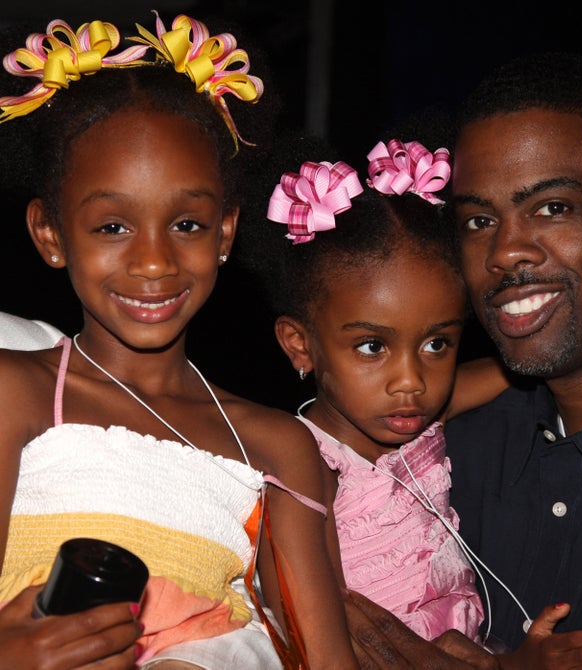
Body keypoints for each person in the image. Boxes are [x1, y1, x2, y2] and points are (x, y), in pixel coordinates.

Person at [240, 132, 582, 670]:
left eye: (436, 343)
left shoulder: (423, 416)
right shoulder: (303, 468)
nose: (410, 380)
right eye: (372, 347)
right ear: (299, 344)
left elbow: (537, 358)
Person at [0, 13, 357, 670]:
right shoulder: (13, 394)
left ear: (225, 232)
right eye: (112, 226)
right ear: (50, 233)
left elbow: (326, 659)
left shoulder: (277, 447)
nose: (156, 261)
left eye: (187, 222)